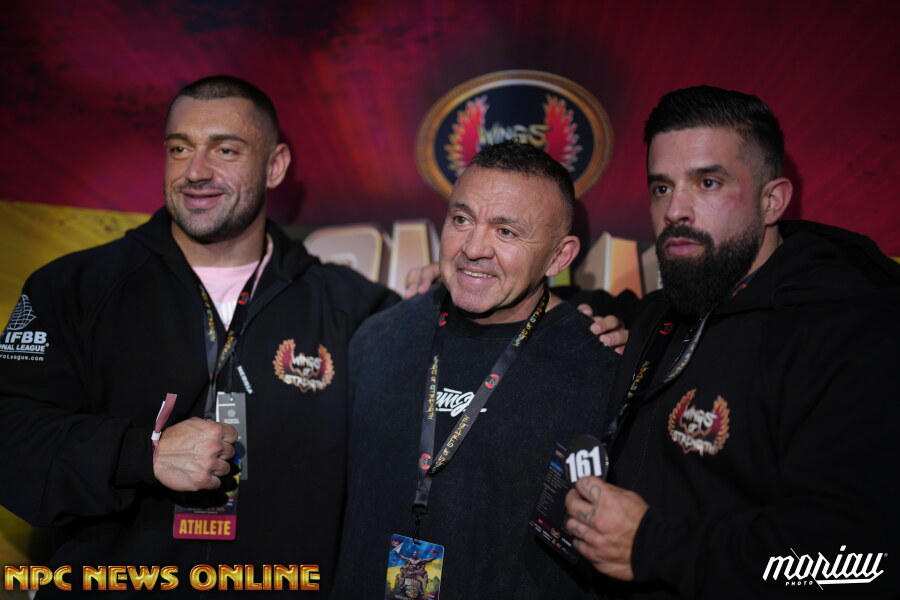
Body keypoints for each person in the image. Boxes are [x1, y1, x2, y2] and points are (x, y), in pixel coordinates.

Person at [0, 75, 397, 596]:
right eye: (180, 148)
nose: (195, 171)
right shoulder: (74, 287)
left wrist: (451, 302)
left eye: (225, 149)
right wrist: (142, 453)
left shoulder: (355, 308)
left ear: (275, 166)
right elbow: (10, 432)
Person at [565, 85, 900, 598]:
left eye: (707, 182)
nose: (675, 210)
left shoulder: (847, 334)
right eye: (661, 187)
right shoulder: (660, 315)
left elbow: (857, 564)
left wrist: (654, 546)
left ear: (772, 201)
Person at [331, 139, 621, 599]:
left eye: (506, 231)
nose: (473, 247)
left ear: (560, 256)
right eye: (462, 220)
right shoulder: (377, 339)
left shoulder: (599, 368)